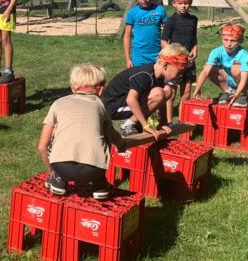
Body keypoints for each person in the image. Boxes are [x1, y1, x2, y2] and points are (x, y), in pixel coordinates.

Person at [38, 63, 167, 199]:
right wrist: (121, 145)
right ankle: (99, 182)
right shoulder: (100, 106)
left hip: (60, 167)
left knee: (57, 133)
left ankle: (58, 179)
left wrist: (53, 170)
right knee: (103, 133)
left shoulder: (57, 104)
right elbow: (112, 135)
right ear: (101, 90)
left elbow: (42, 146)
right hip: (93, 169)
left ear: (72, 88)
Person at [101, 43, 189, 135]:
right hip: (111, 107)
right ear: (165, 65)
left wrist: (163, 122)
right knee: (159, 93)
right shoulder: (145, 75)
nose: (180, 75)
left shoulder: (159, 76)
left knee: (167, 91)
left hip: (124, 103)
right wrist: (146, 125)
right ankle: (128, 125)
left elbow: (161, 102)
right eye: (179, 72)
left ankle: (137, 122)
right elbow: (131, 100)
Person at [192, 23, 248, 107]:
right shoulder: (217, 52)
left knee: (236, 68)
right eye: (225, 40)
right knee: (208, 68)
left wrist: (237, 94)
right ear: (222, 39)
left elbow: (244, 77)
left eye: (233, 40)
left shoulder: (243, 54)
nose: (228, 44)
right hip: (230, 77)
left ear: (240, 41)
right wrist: (197, 89)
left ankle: (242, 95)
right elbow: (205, 71)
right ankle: (229, 92)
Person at [160, 0, 199, 107]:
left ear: (191, 3)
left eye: (186, 3)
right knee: (171, 93)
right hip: (175, 61)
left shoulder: (193, 19)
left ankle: (183, 119)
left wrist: (195, 48)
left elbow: (193, 36)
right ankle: (168, 119)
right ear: (174, 3)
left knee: (186, 92)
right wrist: (173, 56)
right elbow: (164, 41)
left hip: (189, 60)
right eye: (180, 3)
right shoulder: (171, 21)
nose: (183, 6)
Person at [122, 0, 167, 68]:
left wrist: (166, 54)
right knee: (140, 81)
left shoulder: (160, 10)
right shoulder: (132, 13)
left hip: (158, 55)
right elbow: (127, 36)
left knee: (157, 81)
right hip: (139, 57)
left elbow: (167, 34)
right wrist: (128, 59)